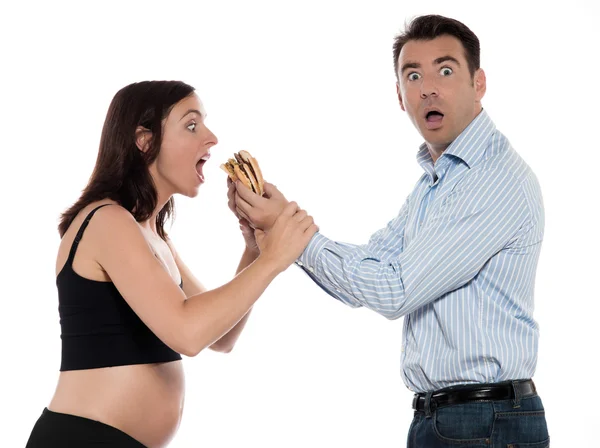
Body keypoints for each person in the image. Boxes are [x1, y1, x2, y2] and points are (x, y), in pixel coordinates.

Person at [232, 15, 550, 447]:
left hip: (484, 421)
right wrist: (279, 233)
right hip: (452, 419)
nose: (428, 87)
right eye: (412, 75)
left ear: (479, 84)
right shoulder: (435, 185)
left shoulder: (490, 178)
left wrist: (288, 230)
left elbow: (394, 290)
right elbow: (371, 270)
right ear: (400, 97)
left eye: (445, 70)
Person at [25, 80, 318, 448]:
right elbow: (187, 333)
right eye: (191, 125)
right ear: (144, 141)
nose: (211, 138)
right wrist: (275, 258)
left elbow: (220, 336)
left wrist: (255, 251)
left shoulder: (154, 237)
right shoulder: (105, 221)